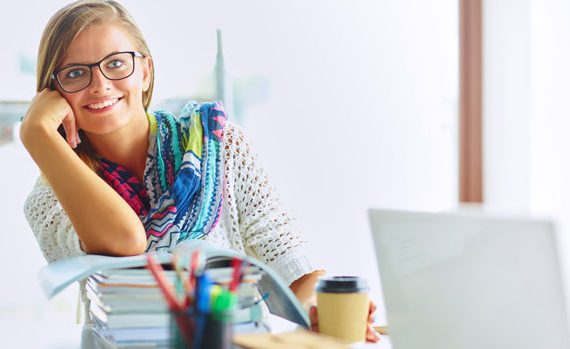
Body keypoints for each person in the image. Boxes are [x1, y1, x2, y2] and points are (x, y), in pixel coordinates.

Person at [20, 0, 378, 342]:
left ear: (145, 72)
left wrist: (319, 308)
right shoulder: (48, 201)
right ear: (53, 94)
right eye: (76, 73)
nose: (100, 85)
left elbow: (296, 272)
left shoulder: (220, 145)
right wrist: (36, 135)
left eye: (116, 63)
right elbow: (127, 242)